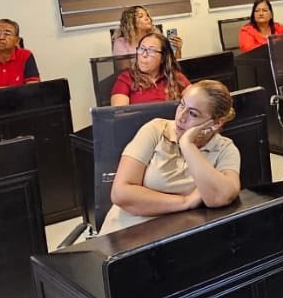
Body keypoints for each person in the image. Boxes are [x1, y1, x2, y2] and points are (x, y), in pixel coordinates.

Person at [102, 79, 242, 233]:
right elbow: (120, 193)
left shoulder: (225, 149)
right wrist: (185, 202)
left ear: (216, 123)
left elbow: (220, 197)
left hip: (175, 236)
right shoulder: (155, 129)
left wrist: (187, 145)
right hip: (126, 231)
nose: (181, 117)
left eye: (193, 113)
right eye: (182, 105)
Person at [109, 31, 189, 105]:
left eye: (151, 51)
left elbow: (194, 99)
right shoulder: (126, 78)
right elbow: (119, 112)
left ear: (163, 58)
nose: (144, 55)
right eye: (141, 49)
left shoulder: (175, 77)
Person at [112, 5, 182, 59]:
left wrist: (178, 49)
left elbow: (171, 66)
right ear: (131, 22)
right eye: (140, 16)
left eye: (147, 15)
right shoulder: (120, 43)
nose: (147, 18)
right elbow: (123, 69)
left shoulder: (157, 39)